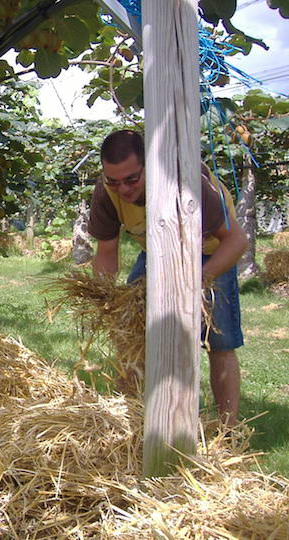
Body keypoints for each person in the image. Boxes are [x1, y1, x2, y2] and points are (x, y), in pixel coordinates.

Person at [87, 129, 248, 426]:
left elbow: (237, 241)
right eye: (114, 181)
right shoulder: (105, 191)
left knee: (219, 341)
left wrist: (196, 282)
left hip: (210, 252)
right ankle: (130, 417)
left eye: (131, 179)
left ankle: (228, 430)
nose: (122, 189)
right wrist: (104, 296)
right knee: (129, 330)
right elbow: (106, 252)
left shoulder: (186, 179)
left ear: (149, 164)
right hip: (157, 251)